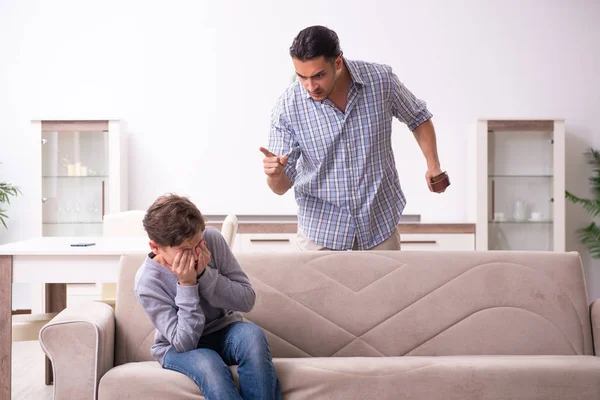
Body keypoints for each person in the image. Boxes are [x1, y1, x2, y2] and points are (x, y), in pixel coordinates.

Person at [260, 25, 446, 251]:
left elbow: (417, 117)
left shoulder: (381, 81)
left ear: (337, 63)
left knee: (388, 289)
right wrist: (275, 174)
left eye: (318, 75)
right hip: (321, 235)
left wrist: (433, 165)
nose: (310, 86)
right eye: (302, 77)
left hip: (379, 228)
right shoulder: (288, 107)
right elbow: (279, 187)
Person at [134, 193, 282, 400]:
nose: (196, 254)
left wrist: (205, 275)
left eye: (198, 244)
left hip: (225, 330)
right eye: (185, 250)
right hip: (176, 347)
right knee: (209, 363)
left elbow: (247, 300)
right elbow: (183, 343)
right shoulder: (147, 281)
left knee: (252, 336)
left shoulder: (211, 239)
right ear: (155, 247)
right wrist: (187, 285)